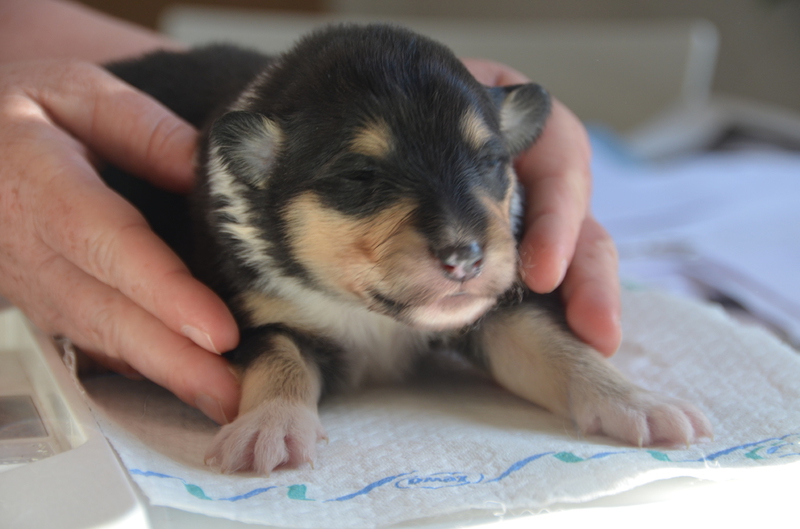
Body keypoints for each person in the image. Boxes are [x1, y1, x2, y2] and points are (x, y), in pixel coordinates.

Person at [0, 0, 621, 425]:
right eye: (361, 179)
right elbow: (268, 341)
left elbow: (511, 324)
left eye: (487, 162)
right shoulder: (242, 238)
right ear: (260, 169)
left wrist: (598, 389)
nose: (460, 243)